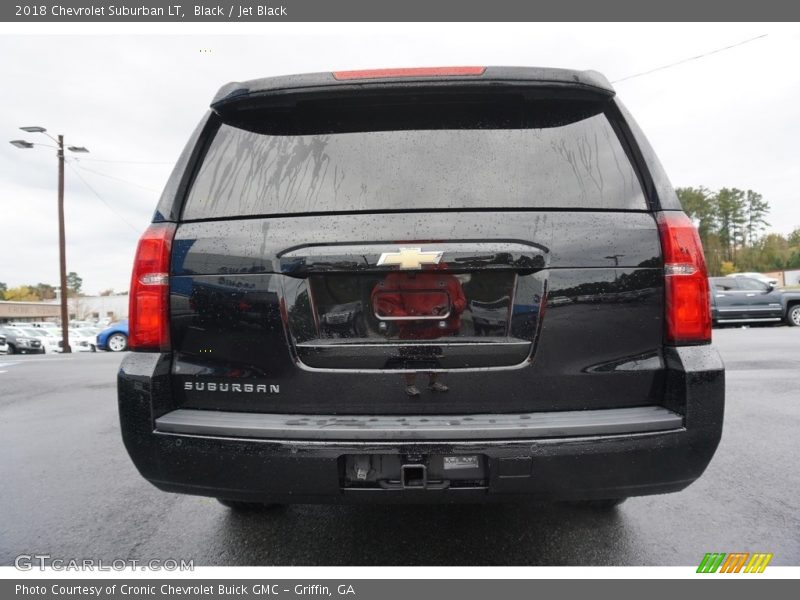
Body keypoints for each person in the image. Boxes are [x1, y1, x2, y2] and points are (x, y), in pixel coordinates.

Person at [371, 264, 466, 396]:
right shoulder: (398, 276)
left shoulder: (448, 277)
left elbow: (461, 301)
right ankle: (411, 385)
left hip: (435, 329)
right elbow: (383, 301)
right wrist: (409, 319)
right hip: (411, 330)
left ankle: (432, 383)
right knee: (410, 357)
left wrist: (451, 307)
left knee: (434, 356)